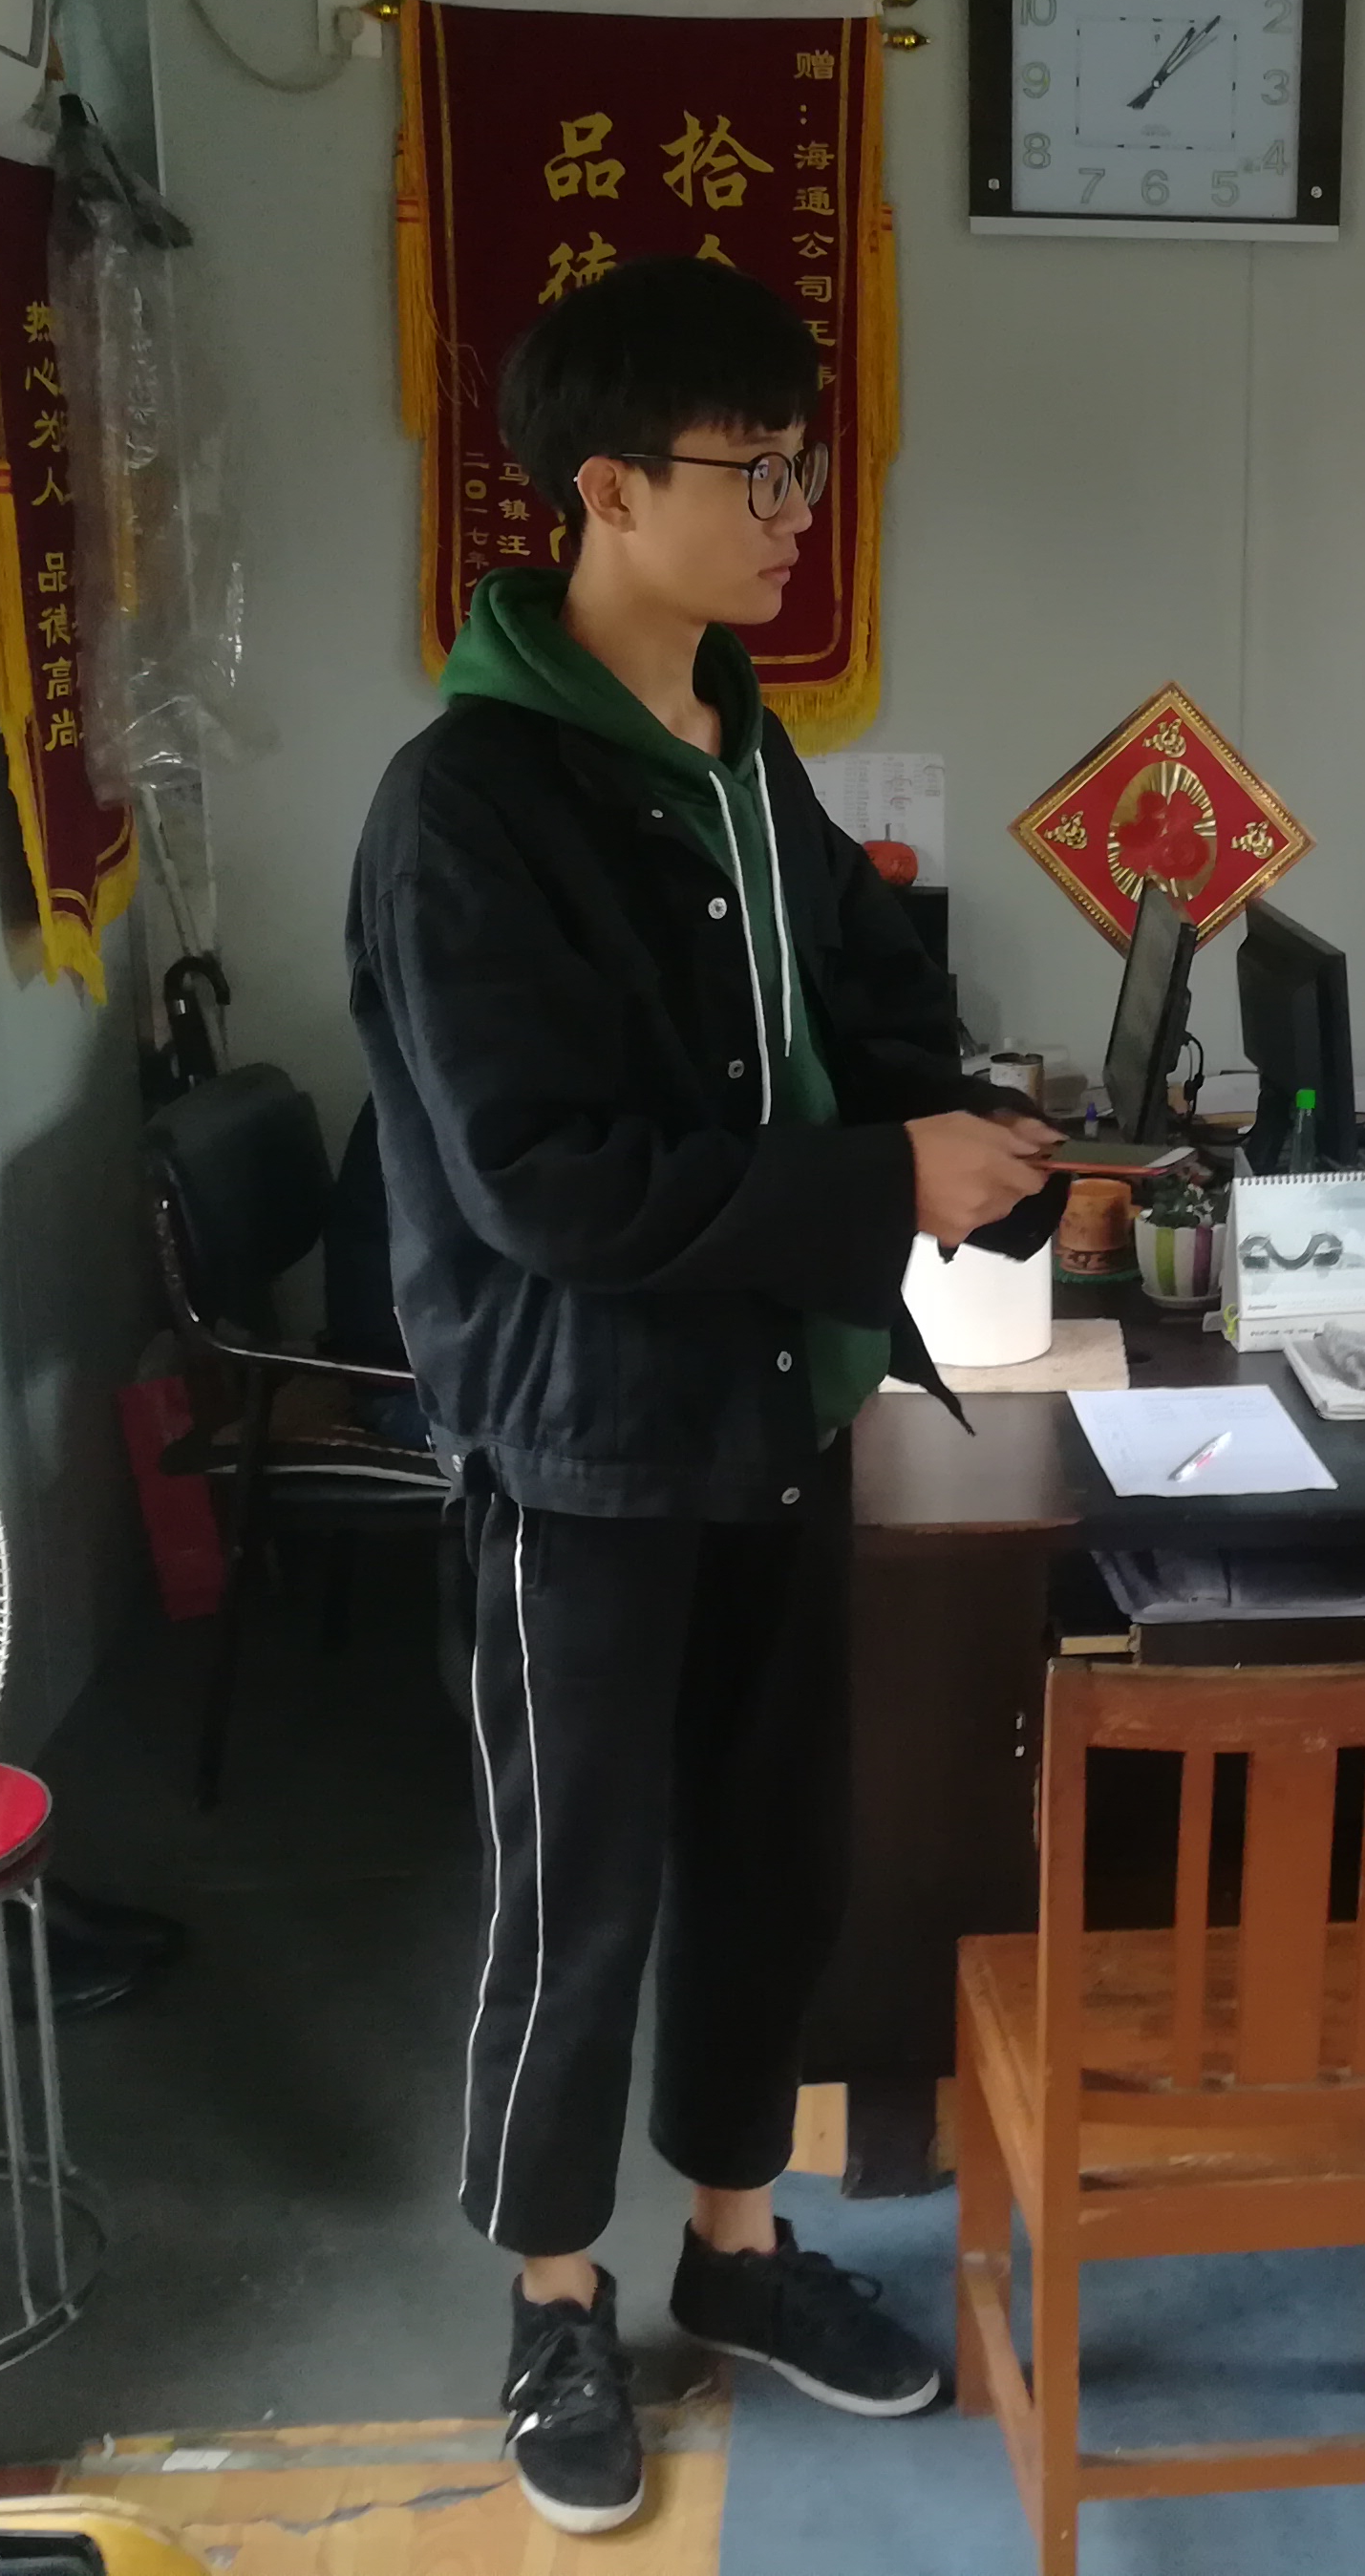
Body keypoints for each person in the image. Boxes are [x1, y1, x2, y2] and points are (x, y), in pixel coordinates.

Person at [345, 257, 1059, 2536]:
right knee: (585, 1893)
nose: (792, 513)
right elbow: (548, 1180)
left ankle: (736, 2249)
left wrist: (990, 1144)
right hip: (581, 1442)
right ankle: (555, 2298)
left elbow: (861, 994)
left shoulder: (741, 745)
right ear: (604, 492)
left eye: (798, 466)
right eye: (753, 473)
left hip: (774, 1405)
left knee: (776, 1858)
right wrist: (878, 1179)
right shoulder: (470, 803)